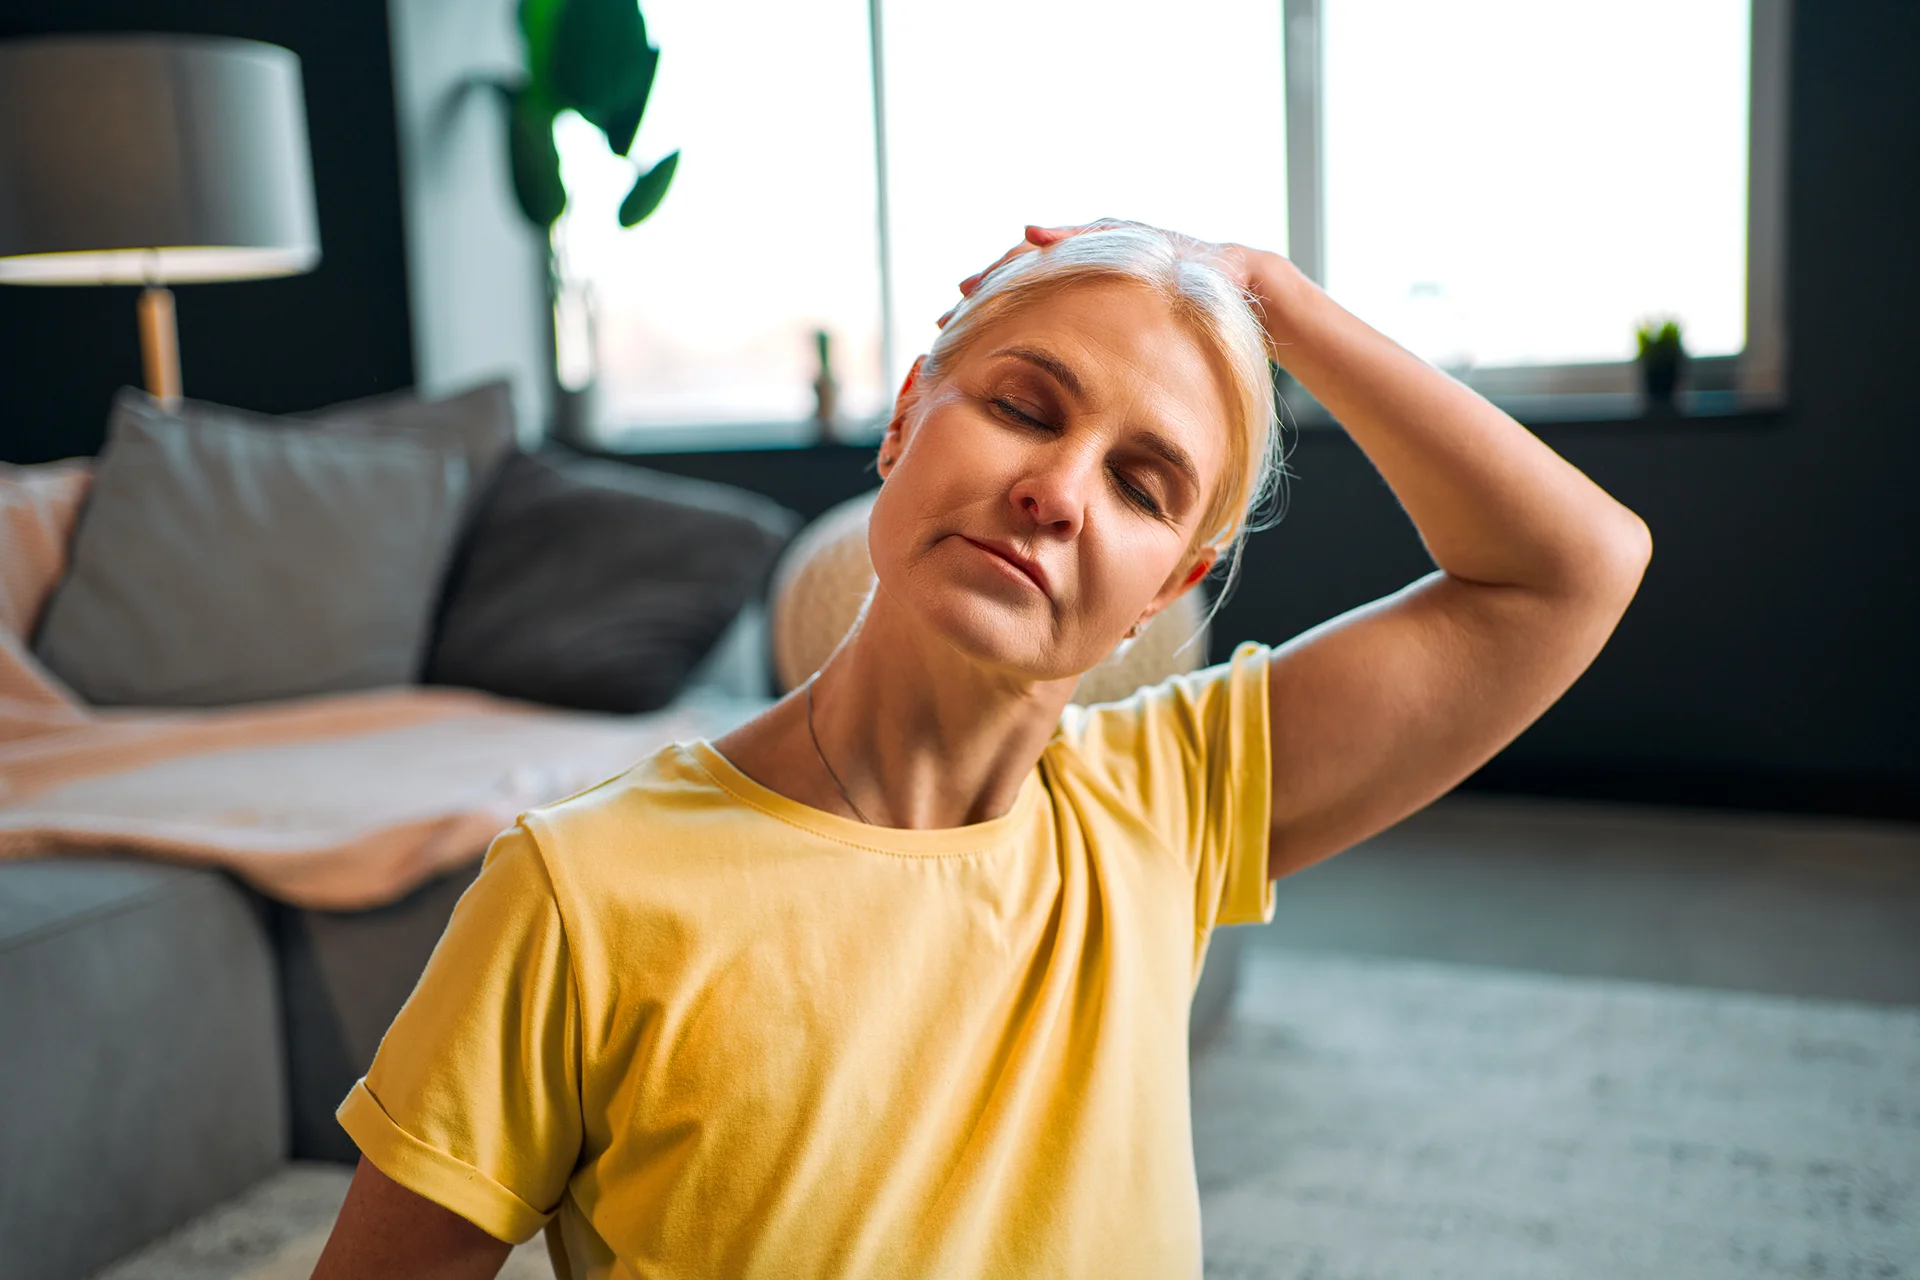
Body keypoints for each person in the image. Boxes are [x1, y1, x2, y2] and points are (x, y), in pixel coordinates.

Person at [311, 219, 1651, 1279]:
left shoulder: (1169, 800)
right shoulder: (580, 890)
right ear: (906, 418)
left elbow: (1573, 570)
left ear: (1162, 587)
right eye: (1025, 404)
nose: (1058, 491)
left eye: (1141, 483)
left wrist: (1268, 290)